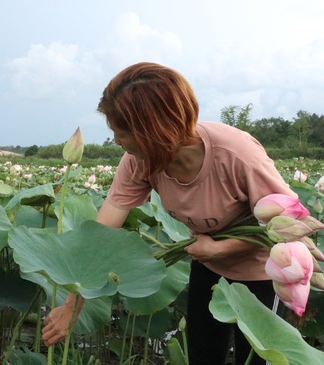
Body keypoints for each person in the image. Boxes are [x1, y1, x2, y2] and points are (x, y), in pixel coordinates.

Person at [42, 62, 295, 365]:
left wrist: (221, 247)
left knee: (256, 360)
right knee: (202, 359)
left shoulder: (238, 155)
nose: (116, 141)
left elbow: (289, 225)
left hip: (265, 272)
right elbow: (101, 233)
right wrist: (73, 303)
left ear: (153, 131)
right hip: (210, 268)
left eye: (121, 133)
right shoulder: (139, 162)